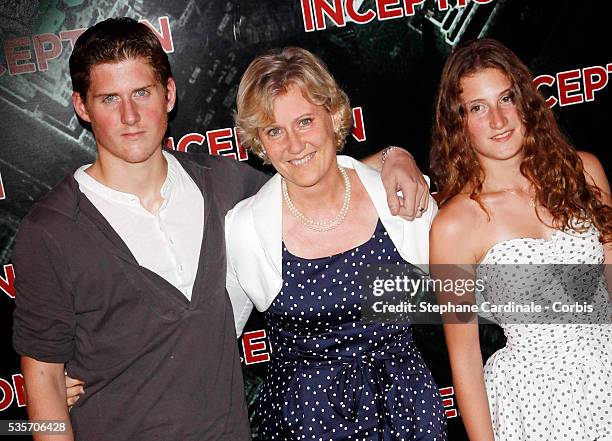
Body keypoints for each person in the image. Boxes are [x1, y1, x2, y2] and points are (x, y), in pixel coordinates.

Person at [13, 18, 431, 441]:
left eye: (142, 93)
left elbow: (318, 177)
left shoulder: (229, 189)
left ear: (169, 94)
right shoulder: (51, 231)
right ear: (82, 107)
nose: (130, 115)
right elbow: (43, 384)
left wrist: (395, 157)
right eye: (109, 99)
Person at [225, 47, 447, 440]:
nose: (295, 145)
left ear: (334, 116)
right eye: (274, 131)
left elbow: (470, 290)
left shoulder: (398, 199)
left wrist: (583, 293)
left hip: (406, 413)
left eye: (305, 121)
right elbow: (213, 332)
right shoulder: (245, 228)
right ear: (260, 141)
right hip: (306, 423)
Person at [429, 38, 611, 441]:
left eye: (506, 98)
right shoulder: (455, 225)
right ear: (459, 123)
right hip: (536, 401)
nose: (498, 119)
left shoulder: (585, 172)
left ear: (526, 101)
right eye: (478, 108)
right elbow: (465, 356)